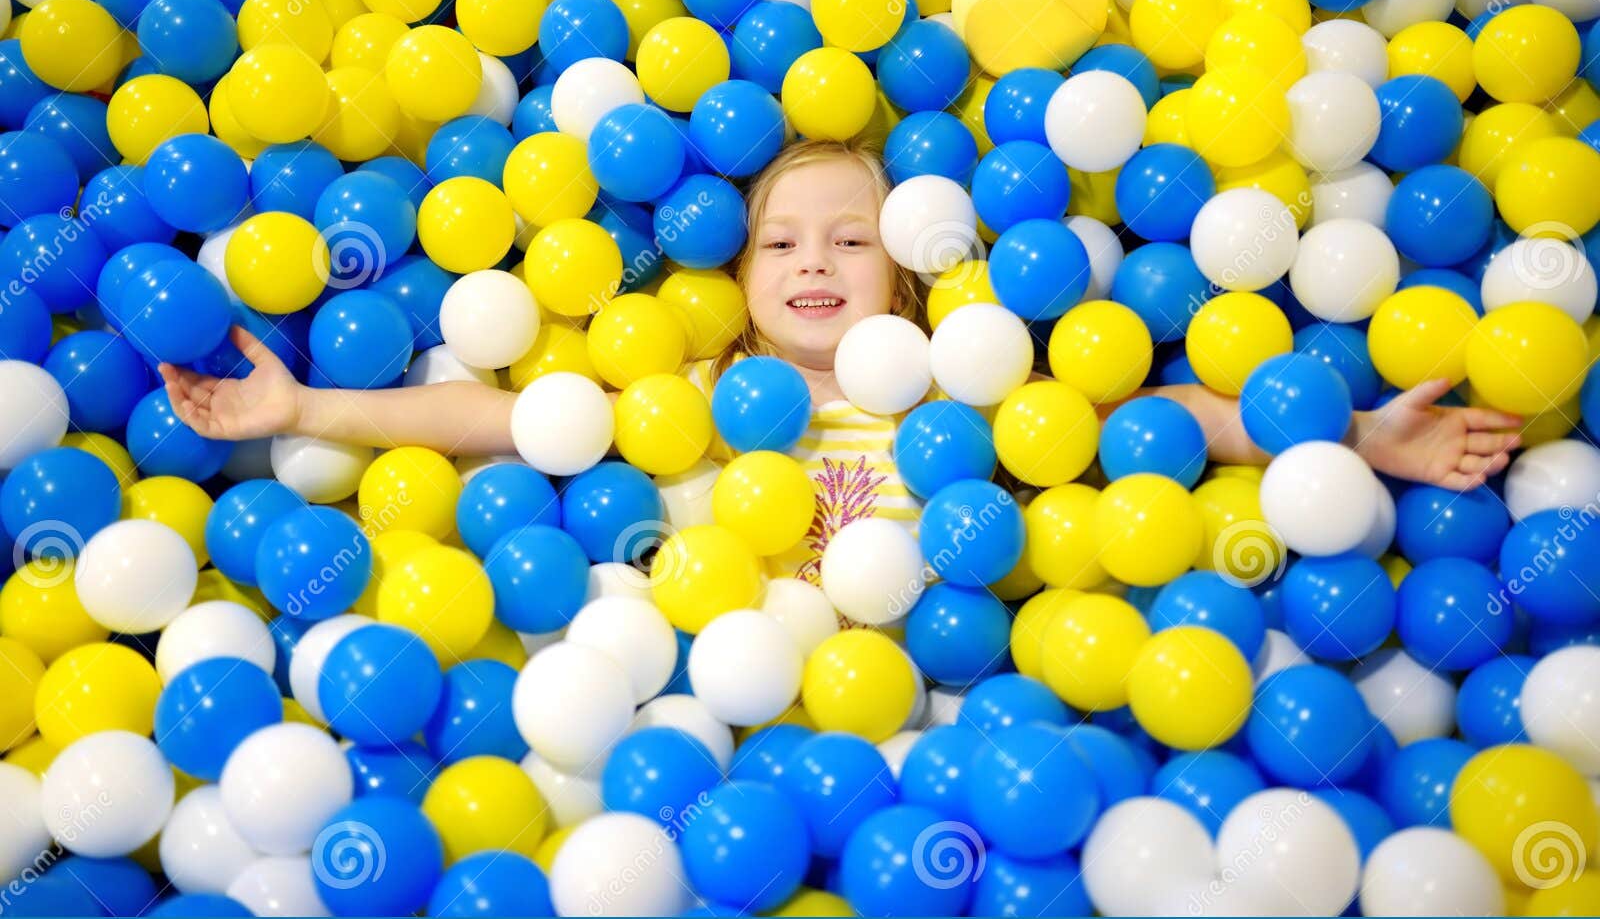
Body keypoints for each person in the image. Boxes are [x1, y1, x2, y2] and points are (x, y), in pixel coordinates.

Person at [161, 139, 1523, 583]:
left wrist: (1349, 438)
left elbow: (1161, 420)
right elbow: (513, 417)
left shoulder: (954, 384)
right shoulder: (686, 393)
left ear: (909, 273)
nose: (812, 260)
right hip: (693, 656)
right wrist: (307, 403)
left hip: (938, 656)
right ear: (738, 284)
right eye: (778, 242)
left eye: (850, 238)